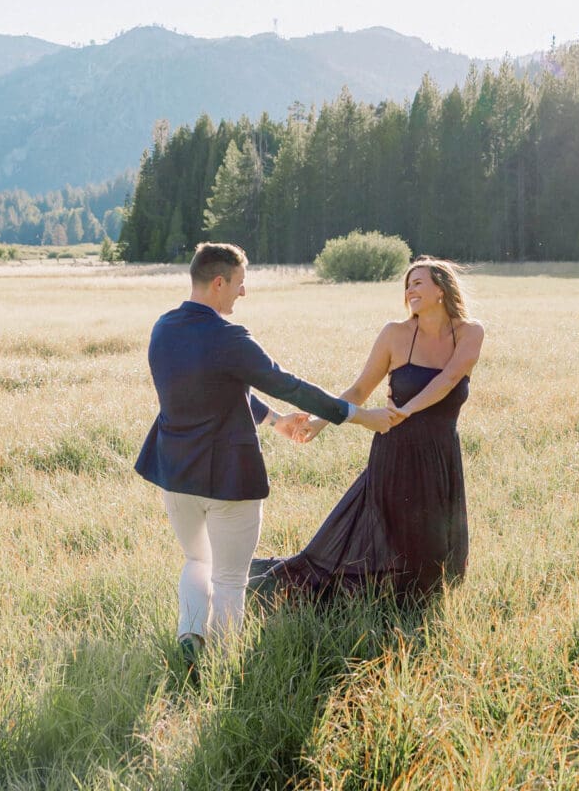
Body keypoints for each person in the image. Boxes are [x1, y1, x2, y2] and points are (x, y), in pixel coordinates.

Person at [135, 242, 395, 676]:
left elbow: (218, 387)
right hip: (229, 480)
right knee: (231, 579)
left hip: (175, 473)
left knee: (197, 561)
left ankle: (190, 640)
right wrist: (357, 414)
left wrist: (274, 421)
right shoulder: (230, 338)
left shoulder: (164, 328)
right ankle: (219, 668)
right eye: (239, 284)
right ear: (219, 283)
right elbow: (287, 384)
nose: (243, 293)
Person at [251, 256, 484, 600]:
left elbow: (450, 379)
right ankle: (258, 584)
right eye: (407, 285)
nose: (410, 290)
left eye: (418, 282)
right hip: (395, 452)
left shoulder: (470, 332)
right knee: (375, 547)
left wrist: (405, 408)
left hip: (440, 455)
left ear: (441, 289)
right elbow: (360, 390)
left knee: (430, 572)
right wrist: (320, 421)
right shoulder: (395, 334)